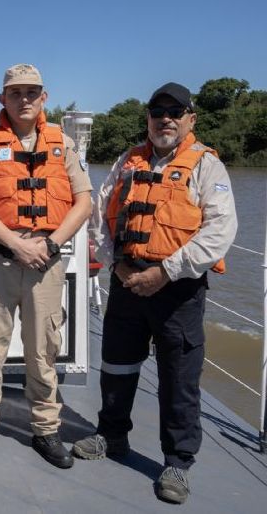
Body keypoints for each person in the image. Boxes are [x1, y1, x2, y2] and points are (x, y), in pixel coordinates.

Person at [72, 82, 237, 505]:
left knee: (178, 378)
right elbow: (100, 217)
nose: (165, 118)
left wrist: (165, 272)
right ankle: (111, 435)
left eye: (175, 112)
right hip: (127, 281)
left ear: (190, 119)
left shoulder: (207, 167)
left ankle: (177, 461)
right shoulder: (128, 162)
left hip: (177, 290)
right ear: (147, 118)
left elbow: (220, 231)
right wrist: (117, 265)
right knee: (117, 365)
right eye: (157, 111)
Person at [0, 64, 92, 468]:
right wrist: (15, 243)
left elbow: (83, 203)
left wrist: (49, 244)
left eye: (32, 92)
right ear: (2, 100)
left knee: (43, 351)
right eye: (16, 93)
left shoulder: (62, 145)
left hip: (45, 264)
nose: (24, 99)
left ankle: (46, 431)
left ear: (44, 97)